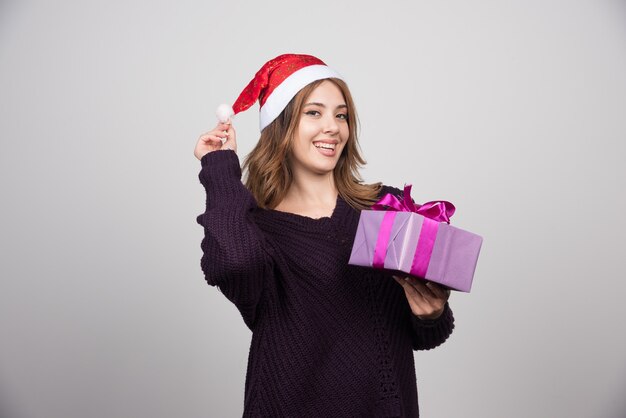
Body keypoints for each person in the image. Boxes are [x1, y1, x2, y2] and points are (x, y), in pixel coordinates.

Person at [194, 54, 454, 417]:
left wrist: (431, 313)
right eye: (314, 113)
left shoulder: (384, 208)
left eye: (341, 114)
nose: (332, 127)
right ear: (281, 125)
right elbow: (235, 263)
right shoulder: (257, 229)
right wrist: (220, 167)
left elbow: (423, 335)